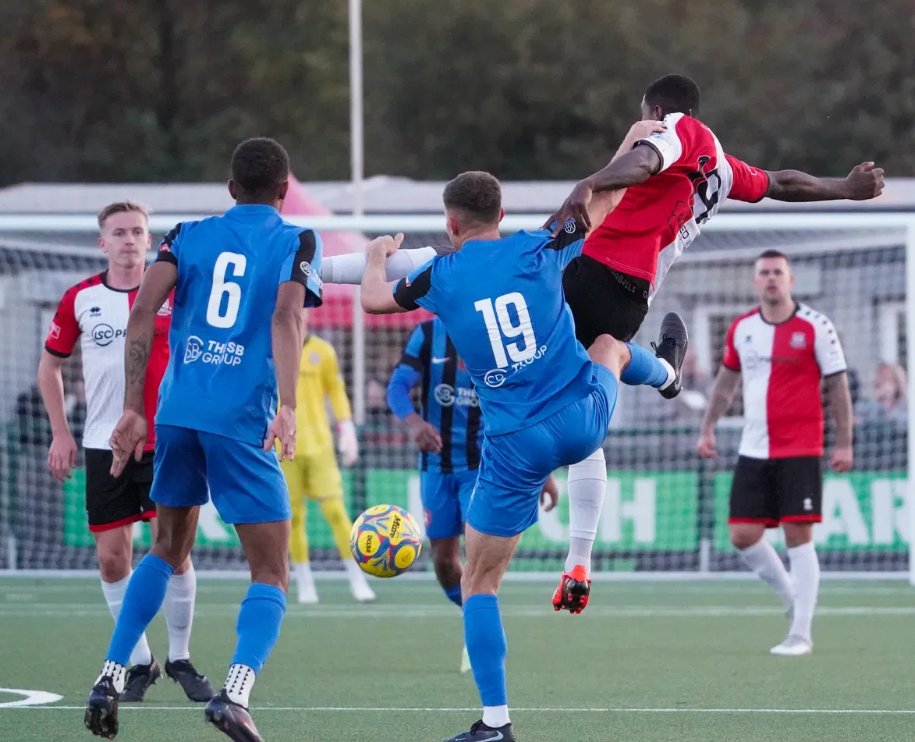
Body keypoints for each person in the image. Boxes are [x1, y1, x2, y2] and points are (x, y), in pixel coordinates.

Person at [327, 74, 885, 613]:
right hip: (633, 294)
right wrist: (845, 188)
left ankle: (314, 269)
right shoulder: (722, 165)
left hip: (592, 267)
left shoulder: (677, 129)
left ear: (656, 110)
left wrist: (590, 182)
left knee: (460, 267)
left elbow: (642, 162)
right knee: (584, 392)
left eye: (644, 120)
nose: (643, 130)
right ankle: (582, 551)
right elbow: (781, 183)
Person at [361, 170, 685, 742]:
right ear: (502, 216)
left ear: (451, 224)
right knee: (607, 347)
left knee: (479, 583)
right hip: (580, 422)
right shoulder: (541, 244)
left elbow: (371, 299)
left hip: (514, 444)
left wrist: (375, 255)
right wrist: (638, 147)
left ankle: (496, 723)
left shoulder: (440, 274)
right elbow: (607, 197)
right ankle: (665, 374)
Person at [83, 138, 322, 742]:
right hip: (239, 420)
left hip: (178, 413)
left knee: (165, 547)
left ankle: (110, 676)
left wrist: (133, 409)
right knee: (271, 571)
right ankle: (234, 695)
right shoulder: (296, 239)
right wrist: (288, 407)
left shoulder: (187, 234)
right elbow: (287, 316)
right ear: (285, 189)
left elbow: (142, 313)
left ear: (230, 188)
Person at [39, 201, 210, 703]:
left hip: (167, 441)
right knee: (113, 559)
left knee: (173, 550)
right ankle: (141, 662)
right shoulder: (81, 298)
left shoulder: (175, 294)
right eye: (119, 233)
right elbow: (49, 367)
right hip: (101, 443)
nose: (129, 240)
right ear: (103, 243)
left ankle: (180, 657)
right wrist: (61, 433)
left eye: (137, 231)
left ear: (150, 240)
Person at [697, 250, 853, 656]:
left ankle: (801, 634)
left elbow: (837, 386)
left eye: (777, 272)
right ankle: (792, 599)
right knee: (742, 534)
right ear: (755, 282)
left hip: (801, 447)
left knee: (797, 536)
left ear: (790, 280)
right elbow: (726, 384)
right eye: (764, 273)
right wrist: (708, 427)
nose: (771, 279)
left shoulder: (816, 326)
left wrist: (844, 441)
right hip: (753, 448)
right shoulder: (742, 328)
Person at [386, 317, 559, 673]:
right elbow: (397, 387)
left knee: (477, 558)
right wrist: (414, 422)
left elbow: (523, 406)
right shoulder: (429, 333)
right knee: (444, 565)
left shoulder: (498, 336)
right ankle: (478, 622)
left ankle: (479, 636)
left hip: (483, 468)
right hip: (435, 468)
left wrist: (543, 469)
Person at [282, 311, 375, 604]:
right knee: (293, 517)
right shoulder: (274, 348)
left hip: (319, 445)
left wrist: (346, 427)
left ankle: (357, 577)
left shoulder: (323, 351)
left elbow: (336, 390)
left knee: (336, 511)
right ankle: (304, 581)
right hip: (285, 448)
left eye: (304, 310)